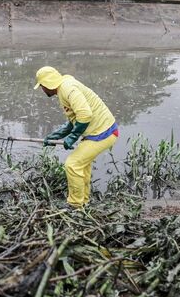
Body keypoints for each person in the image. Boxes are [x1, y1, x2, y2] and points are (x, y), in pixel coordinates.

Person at [34, 66, 119, 208]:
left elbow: (85, 115)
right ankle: (83, 201)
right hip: (97, 132)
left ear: (47, 84)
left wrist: (73, 137)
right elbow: (75, 117)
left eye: (42, 86)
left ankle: (75, 205)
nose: (42, 90)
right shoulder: (64, 87)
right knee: (82, 166)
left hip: (103, 133)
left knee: (73, 165)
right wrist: (58, 135)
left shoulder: (68, 88)